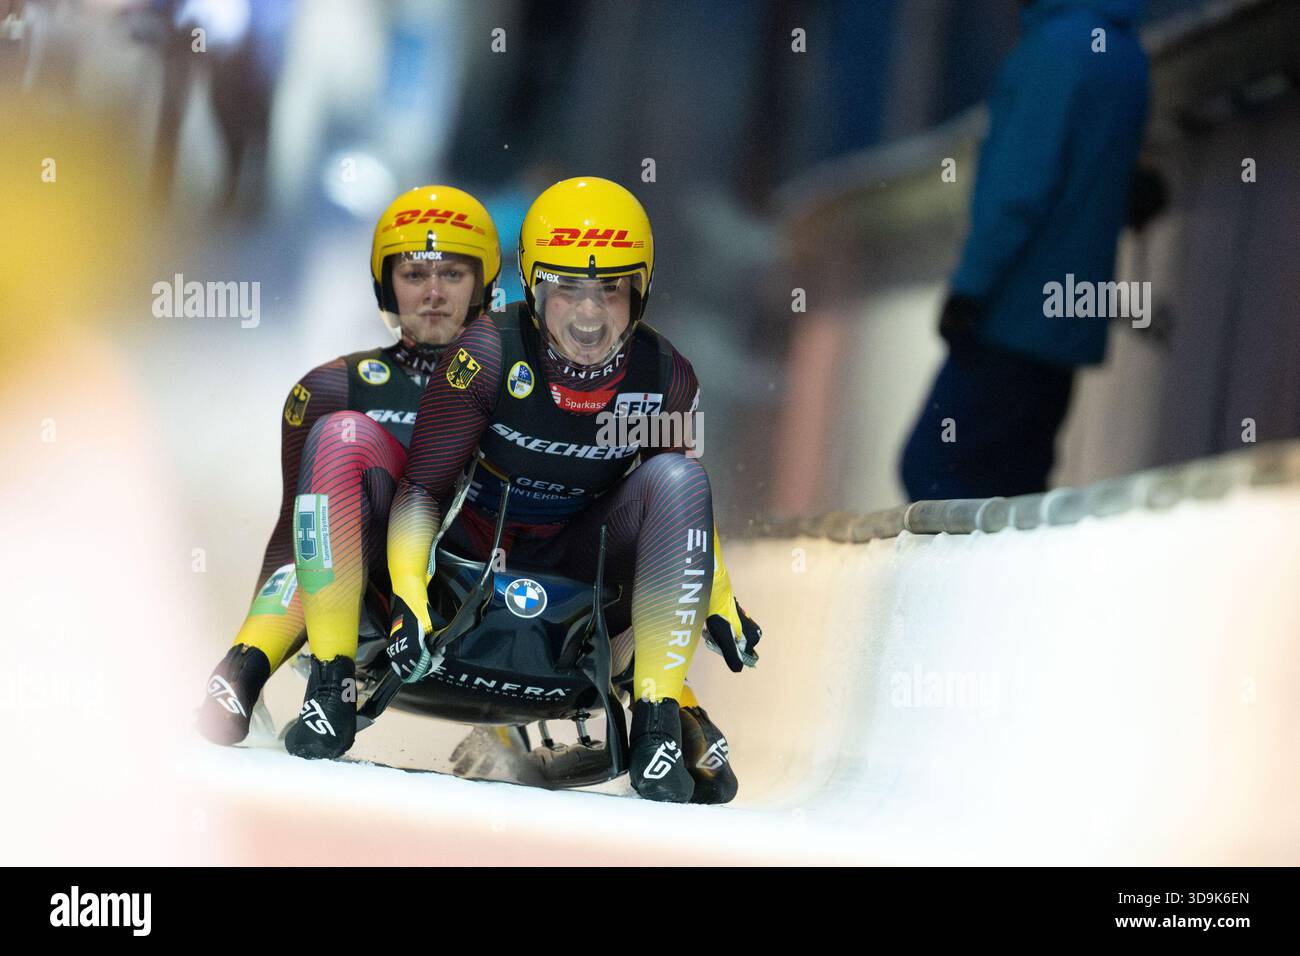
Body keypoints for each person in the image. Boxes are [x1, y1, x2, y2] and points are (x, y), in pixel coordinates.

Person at [385, 177, 760, 803]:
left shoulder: (667, 376)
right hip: (472, 561)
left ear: (639, 290)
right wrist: (406, 599)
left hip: (580, 571)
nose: (589, 316)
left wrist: (716, 594)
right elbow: (422, 487)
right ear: (535, 287)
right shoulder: (483, 351)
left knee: (679, 473)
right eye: (568, 289)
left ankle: (658, 718)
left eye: (609, 289)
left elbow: (681, 504)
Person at [196, 185, 503, 754]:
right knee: (341, 439)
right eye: (414, 275)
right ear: (386, 285)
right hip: (369, 586)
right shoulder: (330, 388)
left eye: (454, 275)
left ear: (483, 284)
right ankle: (245, 672)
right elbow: (296, 531)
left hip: (488, 586)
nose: (433, 294)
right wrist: (254, 642)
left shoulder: (519, 378)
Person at [900, 0, 1149, 501]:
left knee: (933, 469)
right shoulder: (1125, 53)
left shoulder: (1053, 50)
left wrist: (970, 287)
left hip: (1015, 313)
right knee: (1016, 487)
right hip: (1069, 325)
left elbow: (1019, 189)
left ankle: (967, 582)